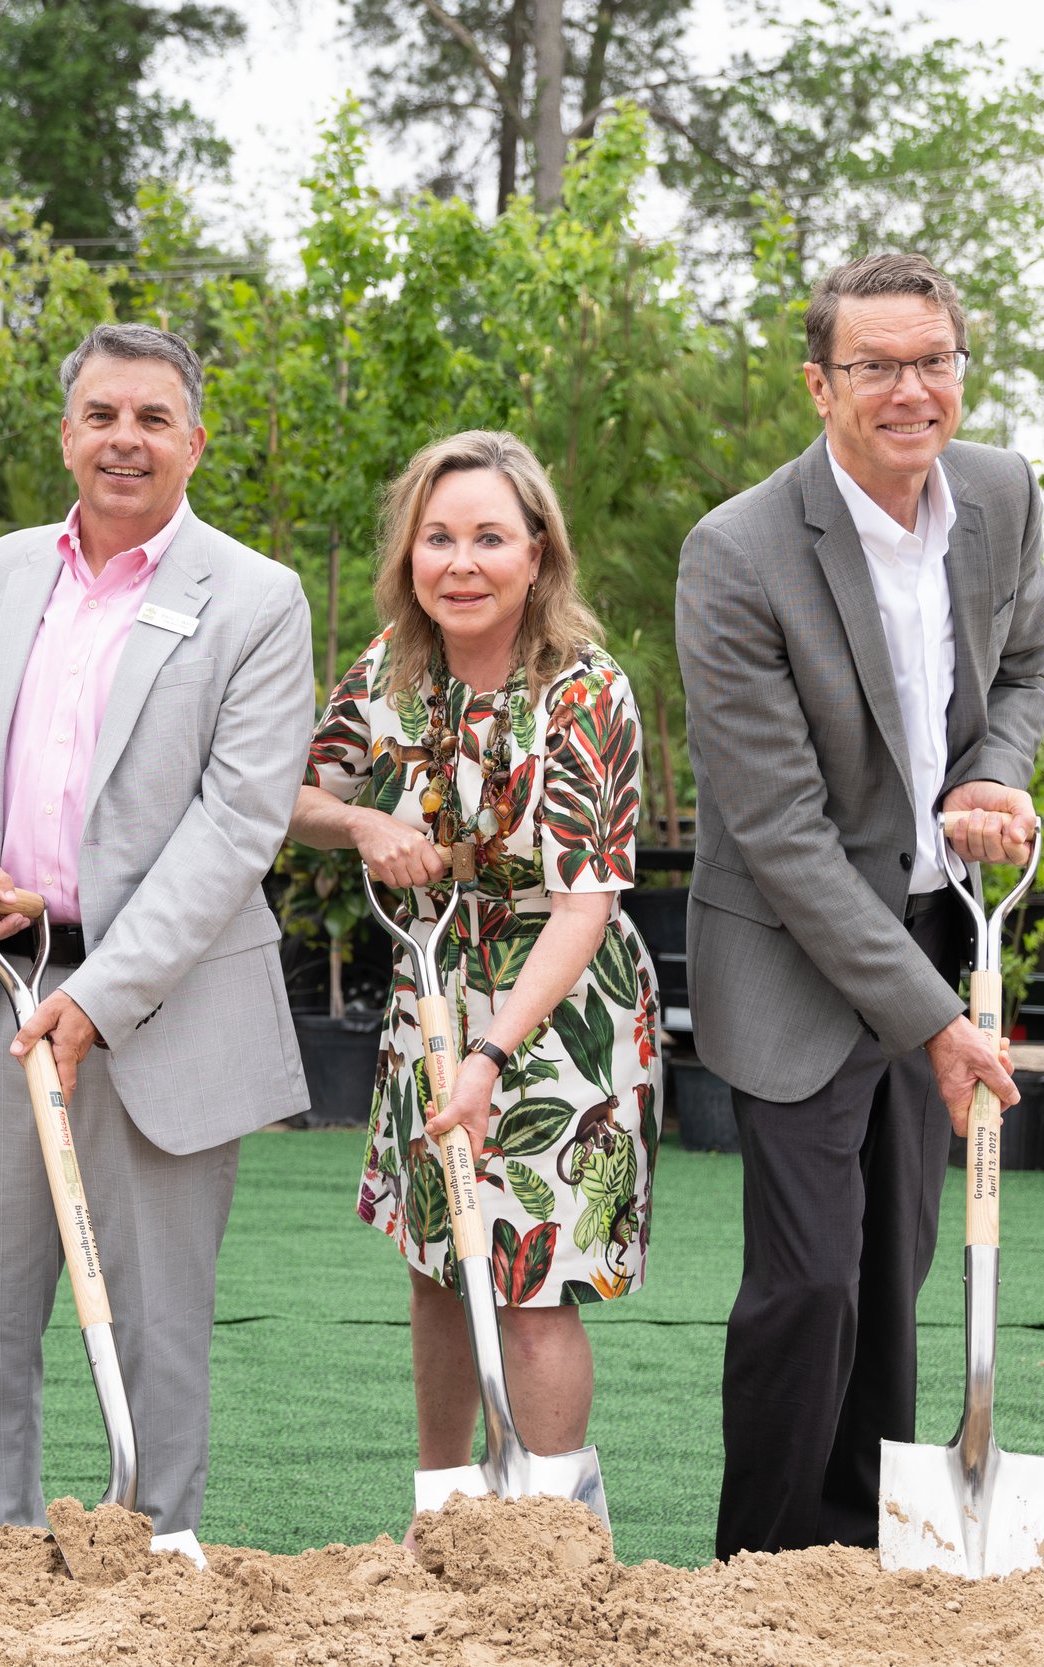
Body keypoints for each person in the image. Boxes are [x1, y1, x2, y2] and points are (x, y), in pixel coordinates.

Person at [0, 322, 315, 1539]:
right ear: (65, 433)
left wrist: (99, 997)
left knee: (154, 1325)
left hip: (164, 1012)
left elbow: (236, 827)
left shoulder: (255, 599)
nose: (122, 440)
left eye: (150, 419)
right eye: (100, 415)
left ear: (194, 440)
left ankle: (154, 1563)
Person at [676, 251, 1044, 1559]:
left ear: (960, 364)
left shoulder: (1000, 494)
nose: (911, 390)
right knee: (811, 1283)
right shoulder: (739, 553)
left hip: (932, 922)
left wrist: (993, 772)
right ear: (820, 382)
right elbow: (778, 830)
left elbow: (1026, 668)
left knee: (893, 1278)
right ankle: (760, 1570)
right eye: (876, 365)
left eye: (931, 360)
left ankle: (860, 1564)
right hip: (791, 951)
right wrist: (936, 1021)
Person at [290, 429, 663, 1481]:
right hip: (431, 993)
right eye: (437, 536)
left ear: (537, 553)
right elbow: (303, 794)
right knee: (439, 1264)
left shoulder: (587, 693)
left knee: (529, 1280)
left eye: (489, 537)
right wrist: (366, 826)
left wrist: (492, 1055)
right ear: (409, 553)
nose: (461, 561)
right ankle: (445, 1507)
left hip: (555, 1018)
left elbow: (585, 906)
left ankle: (548, 1527)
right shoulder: (388, 669)